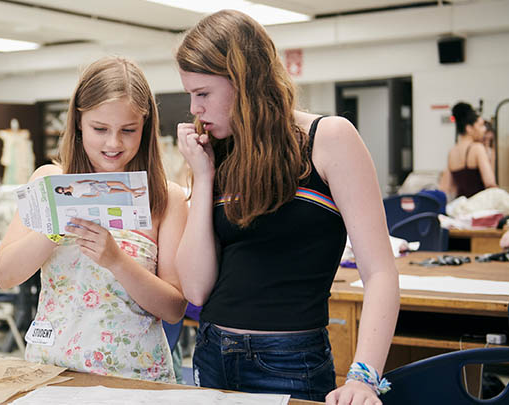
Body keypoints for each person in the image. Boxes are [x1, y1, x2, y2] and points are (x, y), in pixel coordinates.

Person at [173, 10, 399, 404]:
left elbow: (379, 271)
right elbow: (195, 287)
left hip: (290, 361)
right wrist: (204, 177)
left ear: (243, 82)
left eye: (203, 93)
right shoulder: (220, 153)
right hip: (211, 354)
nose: (195, 110)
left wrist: (364, 377)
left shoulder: (328, 138)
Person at [0, 56, 188, 382]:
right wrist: (55, 226)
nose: (114, 143)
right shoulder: (48, 180)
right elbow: (5, 275)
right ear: (78, 123)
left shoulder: (168, 198)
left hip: (134, 379)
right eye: (100, 129)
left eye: (128, 130)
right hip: (51, 372)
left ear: (146, 127)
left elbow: (173, 308)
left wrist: (117, 261)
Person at [439, 102, 496, 198]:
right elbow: (490, 183)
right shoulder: (477, 148)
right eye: (480, 125)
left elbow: (445, 187)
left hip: (461, 206)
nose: (484, 130)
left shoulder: (452, 152)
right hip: (478, 208)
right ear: (469, 128)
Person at [54, 179, 147, 198]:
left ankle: (136, 191)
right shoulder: (75, 195)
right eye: (62, 191)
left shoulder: (72, 183)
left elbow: (83, 180)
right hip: (95, 190)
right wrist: (95, 195)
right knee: (122, 190)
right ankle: (138, 190)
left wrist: (93, 180)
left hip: (94, 185)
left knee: (119, 183)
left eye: (62, 188)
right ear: (63, 193)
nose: (63, 190)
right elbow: (86, 196)